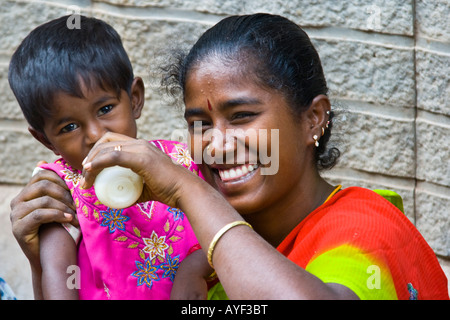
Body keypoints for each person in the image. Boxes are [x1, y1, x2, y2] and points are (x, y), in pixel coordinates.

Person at [11, 13, 449, 300]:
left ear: (313, 118)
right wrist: (44, 259)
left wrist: (186, 189)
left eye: (241, 116)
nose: (215, 144)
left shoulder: (364, 231)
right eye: (198, 122)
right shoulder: (211, 251)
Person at [8, 15, 211, 300]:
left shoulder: (180, 163)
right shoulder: (60, 187)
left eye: (105, 109)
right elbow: (58, 275)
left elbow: (224, 231)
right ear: (45, 140)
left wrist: (195, 268)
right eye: (69, 127)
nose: (94, 134)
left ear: (135, 99)